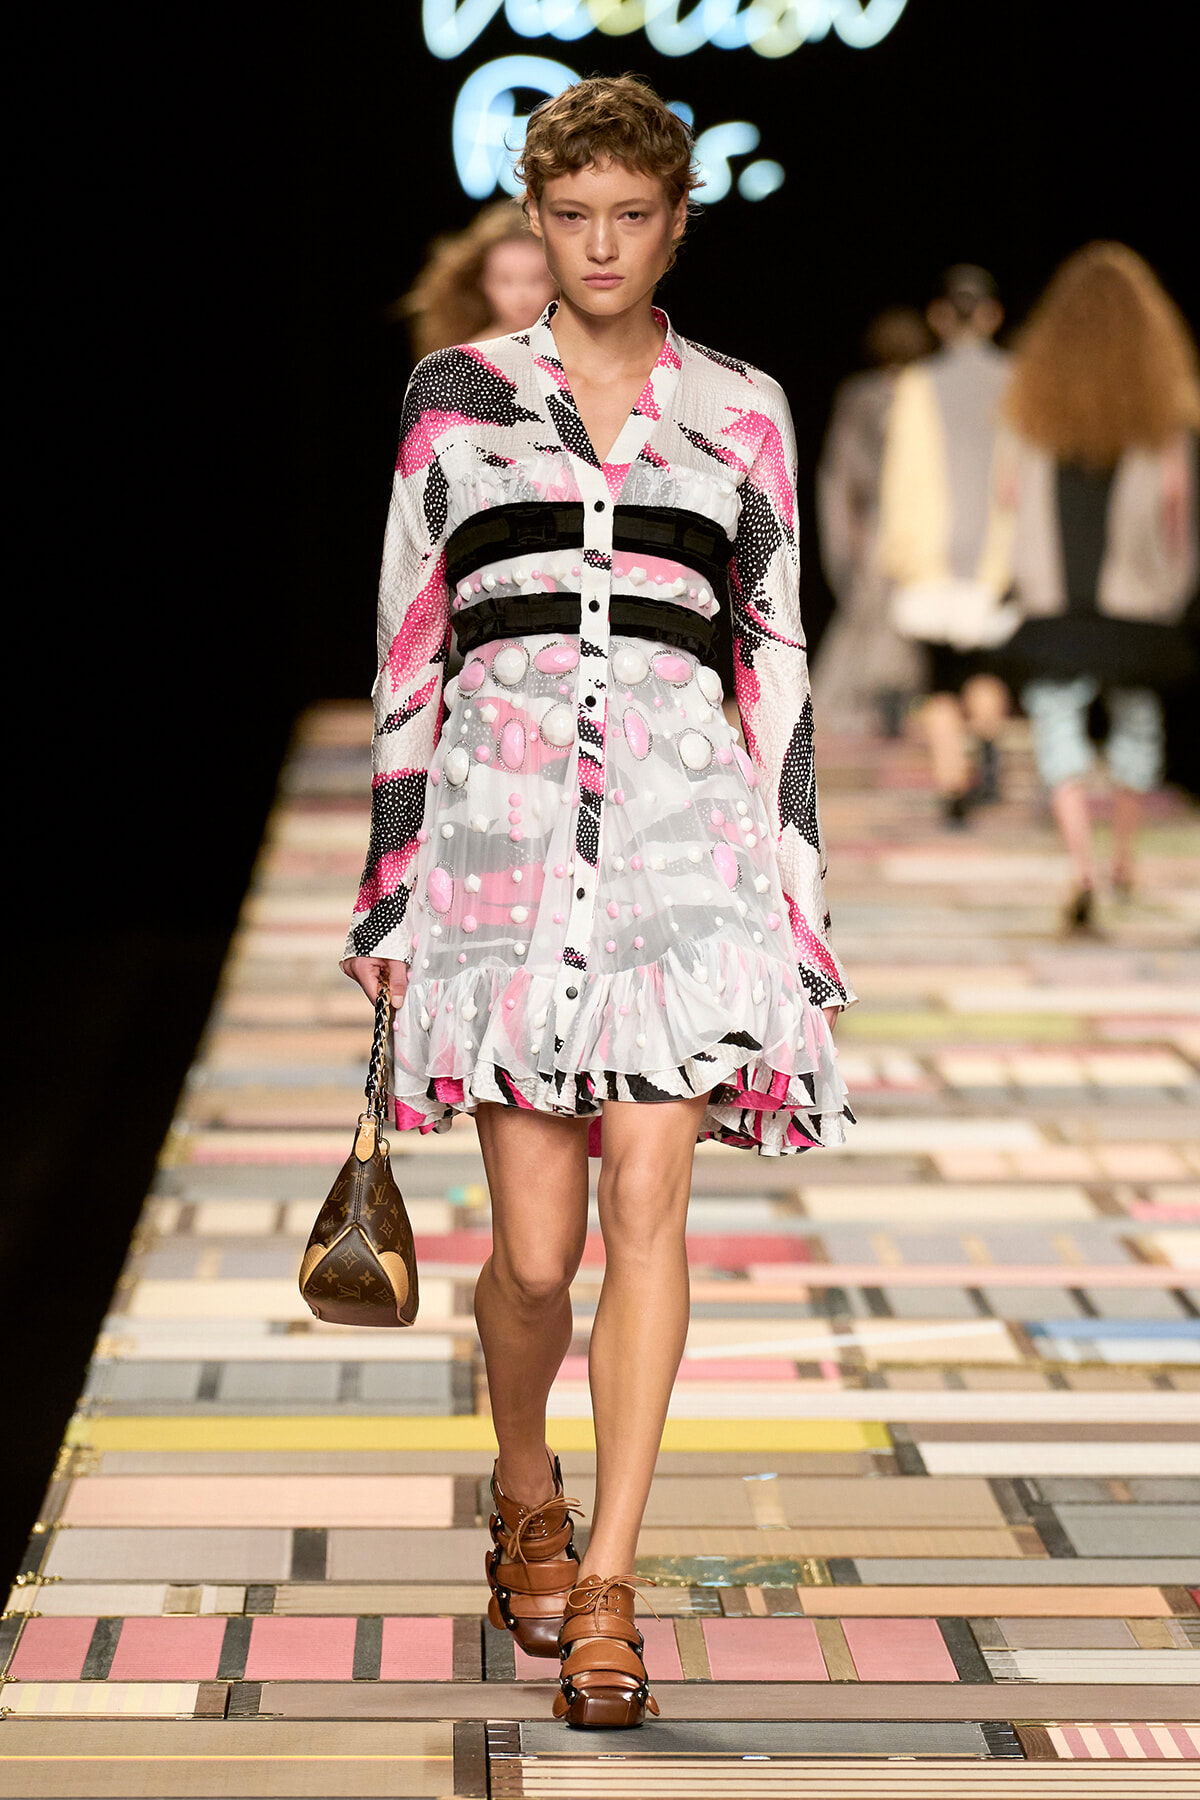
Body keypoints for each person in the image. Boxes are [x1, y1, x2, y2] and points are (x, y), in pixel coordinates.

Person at [340, 74, 854, 1729]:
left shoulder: (744, 407)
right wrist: (390, 895)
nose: (605, 243)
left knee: (650, 1212)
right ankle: (523, 1488)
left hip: (683, 851)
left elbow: (776, 664)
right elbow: (409, 656)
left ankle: (616, 1580)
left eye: (634, 216)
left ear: (676, 218)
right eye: (576, 218)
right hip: (497, 850)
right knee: (537, 1255)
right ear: (537, 221)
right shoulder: (456, 395)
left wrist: (797, 905)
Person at [995, 242, 1200, 932]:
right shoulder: (1162, 411)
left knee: (1057, 719)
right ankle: (1126, 860)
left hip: (1055, 601)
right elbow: (1177, 506)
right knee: (1138, 721)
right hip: (1138, 602)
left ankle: (1080, 864)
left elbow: (1008, 496)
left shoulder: (1034, 406)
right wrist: (1173, 588)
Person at [876, 265, 1013, 823]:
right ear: (992, 315)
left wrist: (897, 553)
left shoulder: (916, 383)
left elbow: (901, 476)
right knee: (985, 669)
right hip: (995, 552)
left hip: (931, 551)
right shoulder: (1018, 382)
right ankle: (986, 748)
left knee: (936, 677)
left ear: (939, 317)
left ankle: (953, 778)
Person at [812, 306, 934, 738]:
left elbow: (842, 473)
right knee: (884, 613)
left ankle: (885, 703)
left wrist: (845, 530)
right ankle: (885, 703)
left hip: (882, 521)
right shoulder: (917, 393)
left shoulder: (866, 395)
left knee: (877, 613)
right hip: (914, 522)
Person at [398, 198, 557, 359]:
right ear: (483, 282)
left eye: (536, 279)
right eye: (505, 280)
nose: (521, 294)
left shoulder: (577, 351)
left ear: (558, 281)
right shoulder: (466, 361)